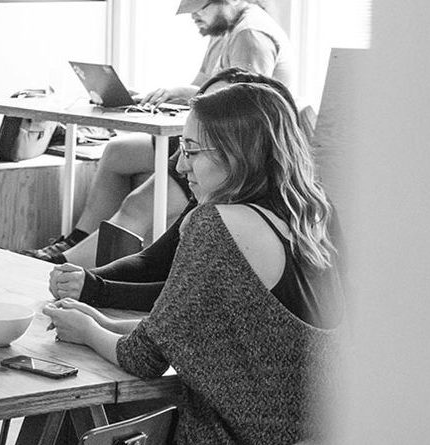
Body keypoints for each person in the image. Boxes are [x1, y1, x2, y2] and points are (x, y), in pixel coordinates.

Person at [43, 85, 342, 445]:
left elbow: (143, 357)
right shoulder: (302, 221)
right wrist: (99, 320)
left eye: (191, 151)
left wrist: (88, 332)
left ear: (236, 154)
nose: (181, 167)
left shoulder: (216, 223)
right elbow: (192, 332)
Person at [25, 0, 293, 265]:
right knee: (116, 152)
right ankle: (76, 240)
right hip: (208, 140)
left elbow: (242, 108)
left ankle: (71, 267)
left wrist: (184, 93)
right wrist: (159, 98)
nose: (195, 16)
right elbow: (202, 88)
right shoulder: (223, 32)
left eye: (201, 8)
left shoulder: (251, 35)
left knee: (137, 204)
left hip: (232, 151)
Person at [48, 70, 301, 312]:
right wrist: (84, 279)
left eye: (193, 149)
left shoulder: (233, 220)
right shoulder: (228, 196)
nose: (180, 166)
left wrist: (93, 291)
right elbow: (155, 263)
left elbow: (175, 309)